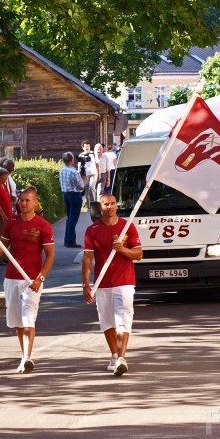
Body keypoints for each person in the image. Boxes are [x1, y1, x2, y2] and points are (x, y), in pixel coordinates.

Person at [0, 186, 55, 374]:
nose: (23, 203)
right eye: (21, 200)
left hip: (32, 280)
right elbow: (1, 253)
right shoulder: (10, 223)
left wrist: (40, 278)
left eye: (28, 200)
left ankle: (27, 357)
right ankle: (24, 355)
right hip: (11, 278)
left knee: (28, 318)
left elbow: (50, 256)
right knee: (18, 321)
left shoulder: (43, 225)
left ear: (35, 202)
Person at [81, 194, 143, 376]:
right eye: (106, 204)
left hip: (124, 281)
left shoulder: (127, 226)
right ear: (100, 207)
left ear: (117, 205)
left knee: (123, 319)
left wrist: (122, 249)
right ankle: (114, 355)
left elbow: (139, 254)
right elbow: (87, 259)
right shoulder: (92, 230)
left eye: (113, 203)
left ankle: (122, 358)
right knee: (107, 322)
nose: (110, 207)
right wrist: (86, 284)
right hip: (102, 283)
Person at [59, 151, 84, 248]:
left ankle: (67, 239)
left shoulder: (62, 171)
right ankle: (70, 241)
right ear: (71, 160)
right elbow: (81, 186)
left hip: (66, 195)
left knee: (69, 218)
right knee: (73, 219)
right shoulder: (74, 172)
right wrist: (84, 179)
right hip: (75, 195)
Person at [78, 140, 98, 206]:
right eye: (86, 147)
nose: (87, 148)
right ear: (83, 147)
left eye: (88, 146)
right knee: (86, 189)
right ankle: (89, 205)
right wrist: (79, 176)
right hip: (85, 175)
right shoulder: (81, 155)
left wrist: (99, 173)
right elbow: (79, 167)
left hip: (94, 173)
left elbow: (97, 164)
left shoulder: (94, 154)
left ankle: (94, 203)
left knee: (91, 187)